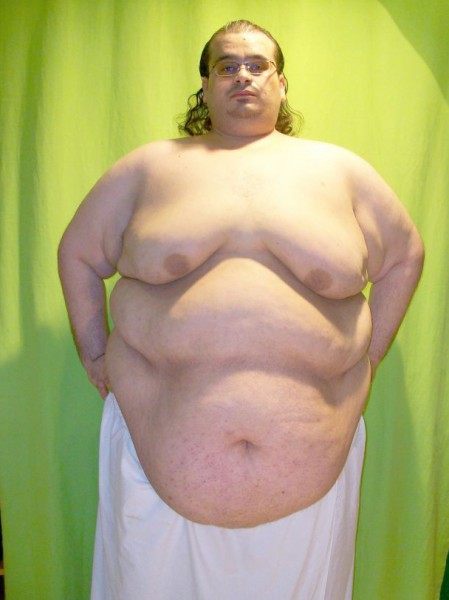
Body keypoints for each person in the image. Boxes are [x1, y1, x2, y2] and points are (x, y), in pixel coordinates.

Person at [58, 19, 424, 600]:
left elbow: (405, 255)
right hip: (154, 476)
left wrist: (368, 357)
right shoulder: (147, 168)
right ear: (205, 87)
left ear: (282, 84)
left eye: (257, 65)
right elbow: (78, 253)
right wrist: (93, 352)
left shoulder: (341, 171)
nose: (243, 76)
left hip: (313, 471)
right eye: (226, 66)